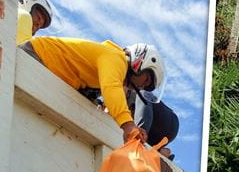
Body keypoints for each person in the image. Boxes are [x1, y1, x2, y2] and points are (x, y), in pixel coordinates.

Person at [21, 37, 166, 144]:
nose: (141, 87)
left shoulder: (109, 67)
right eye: (146, 81)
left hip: (43, 66)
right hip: (36, 55)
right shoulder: (116, 58)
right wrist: (128, 125)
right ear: (140, 62)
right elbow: (111, 88)